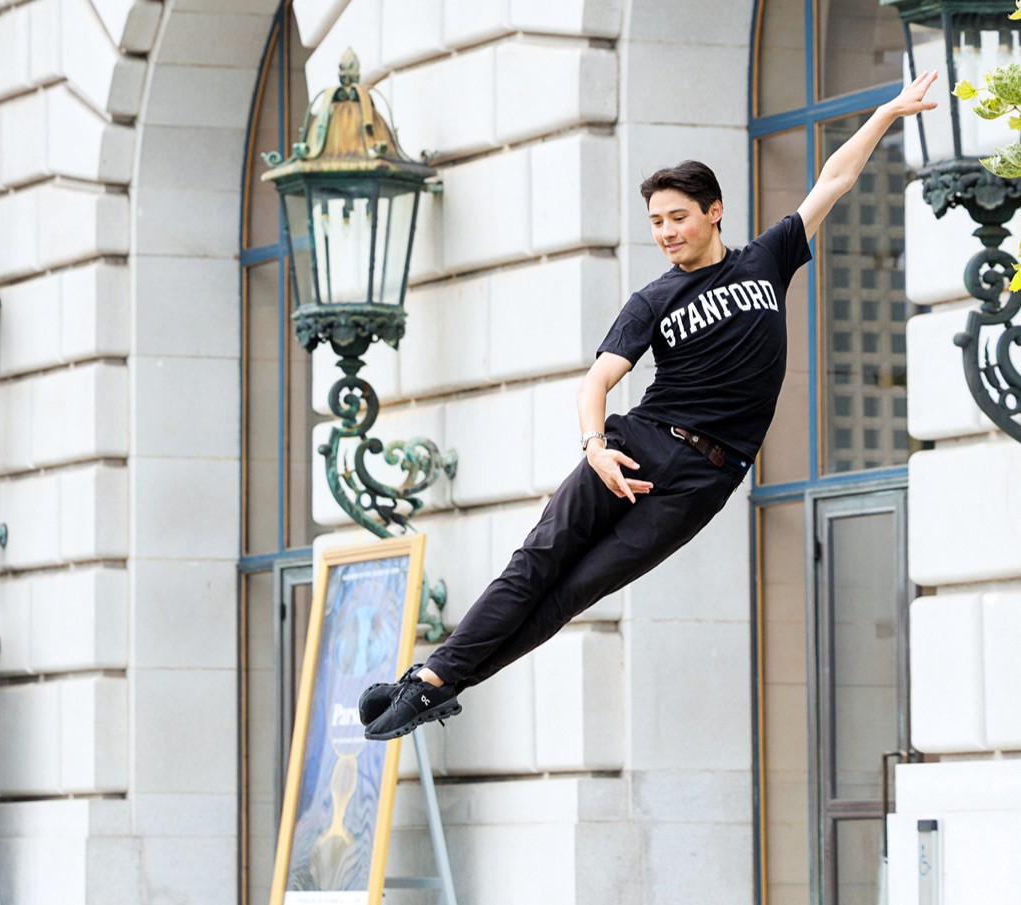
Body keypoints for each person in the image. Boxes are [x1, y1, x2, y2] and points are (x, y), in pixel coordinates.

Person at [360, 69, 939, 742]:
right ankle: (430, 681)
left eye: (677, 218)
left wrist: (888, 113)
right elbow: (595, 382)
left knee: (574, 592)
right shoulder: (651, 300)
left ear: (713, 211)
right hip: (634, 444)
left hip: (701, 478)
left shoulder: (765, 261)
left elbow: (832, 181)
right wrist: (594, 447)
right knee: (534, 564)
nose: (665, 232)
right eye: (656, 222)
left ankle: (437, 682)